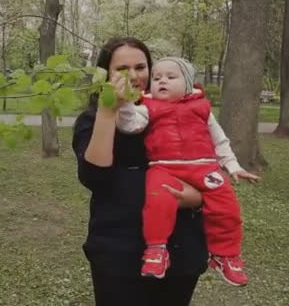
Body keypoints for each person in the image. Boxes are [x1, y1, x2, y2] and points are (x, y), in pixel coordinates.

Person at [72, 38, 207, 305]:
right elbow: (94, 178)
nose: (133, 76)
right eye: (122, 68)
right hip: (118, 254)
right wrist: (108, 111)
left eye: (141, 66)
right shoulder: (93, 119)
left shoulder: (179, 115)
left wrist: (198, 197)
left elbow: (208, 166)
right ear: (106, 74)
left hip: (178, 252)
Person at [115, 57, 260, 286]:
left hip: (204, 166)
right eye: (157, 78)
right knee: (158, 200)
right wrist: (123, 104)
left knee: (226, 205)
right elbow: (129, 125)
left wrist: (232, 166)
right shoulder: (147, 107)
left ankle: (225, 255)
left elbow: (219, 139)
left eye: (171, 77)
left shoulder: (201, 108)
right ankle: (156, 249)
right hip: (164, 166)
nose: (162, 81)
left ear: (189, 84)